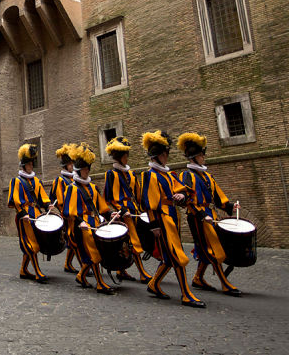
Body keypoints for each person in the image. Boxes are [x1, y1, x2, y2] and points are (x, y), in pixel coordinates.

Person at [140, 130, 205, 308]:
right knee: (176, 255)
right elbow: (148, 203)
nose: (166, 157)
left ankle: (154, 284)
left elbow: (184, 191)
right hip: (162, 219)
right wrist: (154, 225)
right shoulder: (150, 175)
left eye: (166, 153)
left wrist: (182, 197)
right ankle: (186, 294)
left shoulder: (169, 175)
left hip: (172, 217)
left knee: (169, 257)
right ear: (157, 156)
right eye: (164, 154)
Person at [178, 132, 242, 297]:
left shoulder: (207, 175)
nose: (203, 157)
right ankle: (224, 283)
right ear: (193, 158)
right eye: (201, 155)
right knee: (212, 249)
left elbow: (217, 196)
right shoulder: (187, 175)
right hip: (197, 216)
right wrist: (201, 215)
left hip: (210, 214)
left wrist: (229, 205)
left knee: (207, 247)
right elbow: (188, 199)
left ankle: (198, 278)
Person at [63, 143, 115, 295]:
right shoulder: (72, 188)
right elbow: (69, 211)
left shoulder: (92, 187)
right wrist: (81, 223)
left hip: (95, 223)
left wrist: (110, 215)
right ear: (79, 170)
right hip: (83, 227)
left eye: (88, 169)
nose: (87, 171)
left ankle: (81, 276)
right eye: (84, 169)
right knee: (94, 254)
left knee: (94, 253)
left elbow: (101, 206)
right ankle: (100, 283)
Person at [103, 136, 153, 283]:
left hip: (134, 211)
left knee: (129, 242)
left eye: (127, 154)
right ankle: (142, 273)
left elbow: (138, 194)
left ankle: (121, 270)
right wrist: (122, 210)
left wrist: (143, 209)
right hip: (123, 213)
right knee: (133, 242)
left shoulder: (131, 173)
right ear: (118, 157)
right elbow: (109, 197)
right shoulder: (111, 174)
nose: (127, 157)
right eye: (124, 155)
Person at [7, 143, 55, 283]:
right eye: (29, 164)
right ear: (23, 166)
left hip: (36, 214)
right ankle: (38, 273)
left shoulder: (36, 181)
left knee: (35, 242)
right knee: (31, 244)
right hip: (25, 216)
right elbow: (15, 200)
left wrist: (47, 205)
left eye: (32, 163)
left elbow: (42, 196)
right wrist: (23, 214)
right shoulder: (16, 181)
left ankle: (23, 270)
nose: (31, 166)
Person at [51, 144, 80, 274]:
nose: (72, 165)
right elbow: (60, 200)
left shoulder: (75, 179)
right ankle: (83, 265)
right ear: (65, 165)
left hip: (77, 214)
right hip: (68, 215)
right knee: (73, 239)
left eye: (73, 163)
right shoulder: (60, 180)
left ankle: (68, 264)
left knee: (74, 239)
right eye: (70, 164)